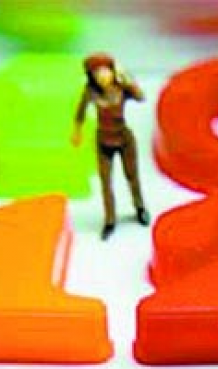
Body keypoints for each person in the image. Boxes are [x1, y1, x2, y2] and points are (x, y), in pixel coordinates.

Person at [71, 53, 149, 240]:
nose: (103, 77)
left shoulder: (121, 88)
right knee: (106, 183)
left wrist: (127, 79)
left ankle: (139, 208)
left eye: (106, 72)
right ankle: (110, 219)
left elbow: (141, 97)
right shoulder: (91, 92)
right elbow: (80, 111)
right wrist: (77, 131)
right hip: (103, 142)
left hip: (124, 139)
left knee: (132, 176)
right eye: (97, 74)